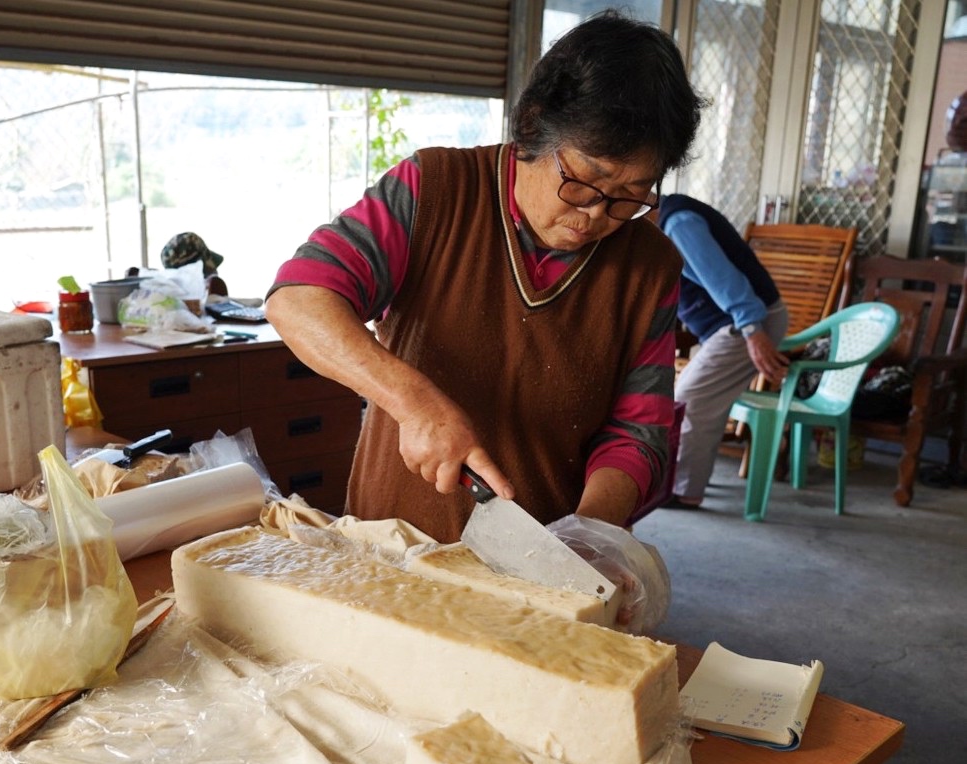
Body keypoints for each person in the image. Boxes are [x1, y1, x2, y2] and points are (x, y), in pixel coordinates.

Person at [264, 11, 704, 543]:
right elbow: (300, 299)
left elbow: (637, 432)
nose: (596, 215)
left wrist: (588, 535)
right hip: (392, 541)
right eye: (586, 182)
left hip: (544, 556)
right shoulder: (435, 191)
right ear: (532, 127)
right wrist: (413, 402)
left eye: (630, 197)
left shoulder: (649, 266)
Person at [657, 194, 790, 509]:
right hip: (732, 325)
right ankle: (683, 483)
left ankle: (684, 491)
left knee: (689, 400)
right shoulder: (666, 223)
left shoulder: (679, 224)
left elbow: (727, 282)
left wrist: (753, 333)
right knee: (694, 397)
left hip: (746, 324)